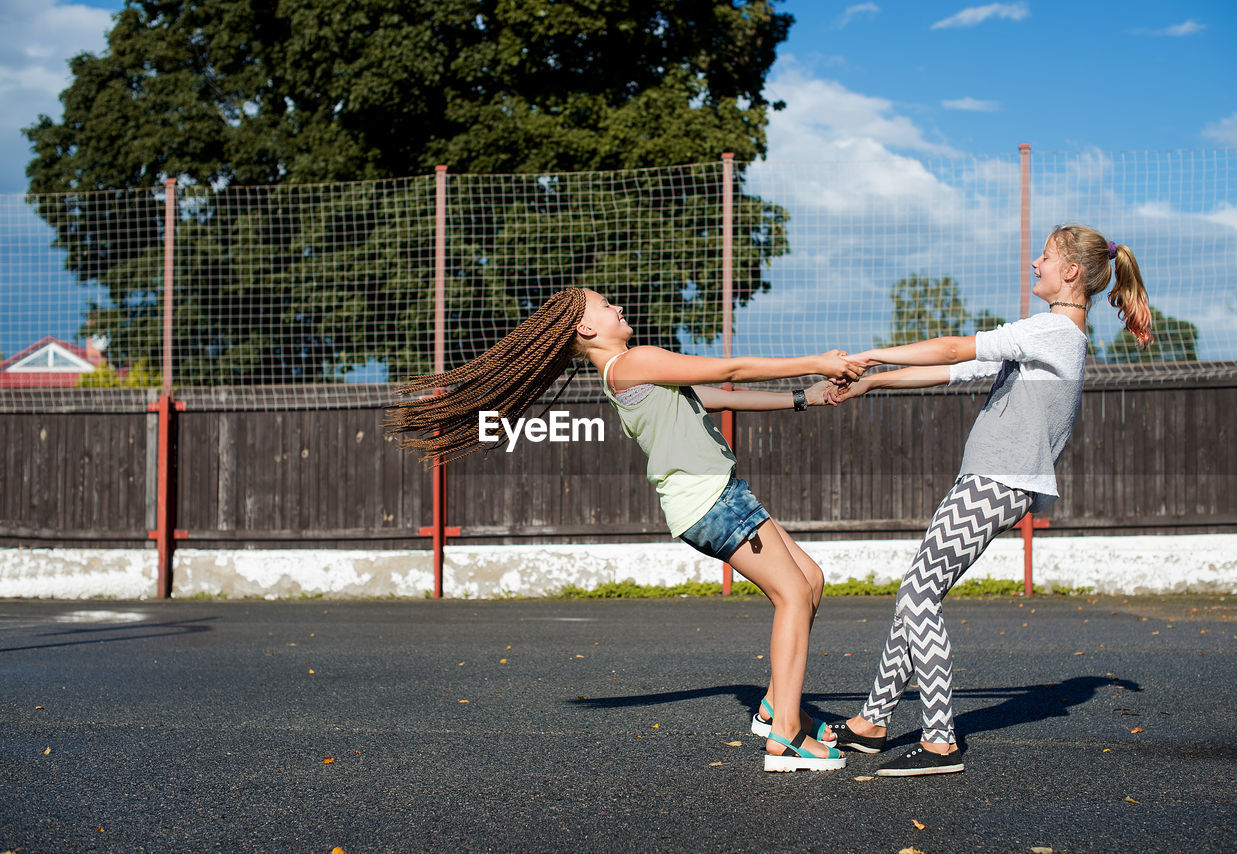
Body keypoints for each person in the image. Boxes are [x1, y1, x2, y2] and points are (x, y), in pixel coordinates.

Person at [388, 287, 863, 771]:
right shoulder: (634, 362)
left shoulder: (631, 373)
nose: (617, 307)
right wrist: (816, 361)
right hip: (710, 500)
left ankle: (774, 707)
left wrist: (806, 397)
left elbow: (716, 394)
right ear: (586, 328)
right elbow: (729, 369)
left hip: (720, 493)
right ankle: (784, 735)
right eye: (604, 305)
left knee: (810, 579)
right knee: (793, 595)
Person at [826, 224, 1151, 777]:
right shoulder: (1047, 335)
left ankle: (939, 741)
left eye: (1045, 258)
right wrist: (871, 382)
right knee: (915, 592)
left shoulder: (1054, 332)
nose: (1034, 264)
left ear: (1070, 271)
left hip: (998, 481)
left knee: (917, 598)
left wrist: (864, 354)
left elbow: (954, 345)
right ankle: (872, 722)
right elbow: (951, 368)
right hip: (988, 477)